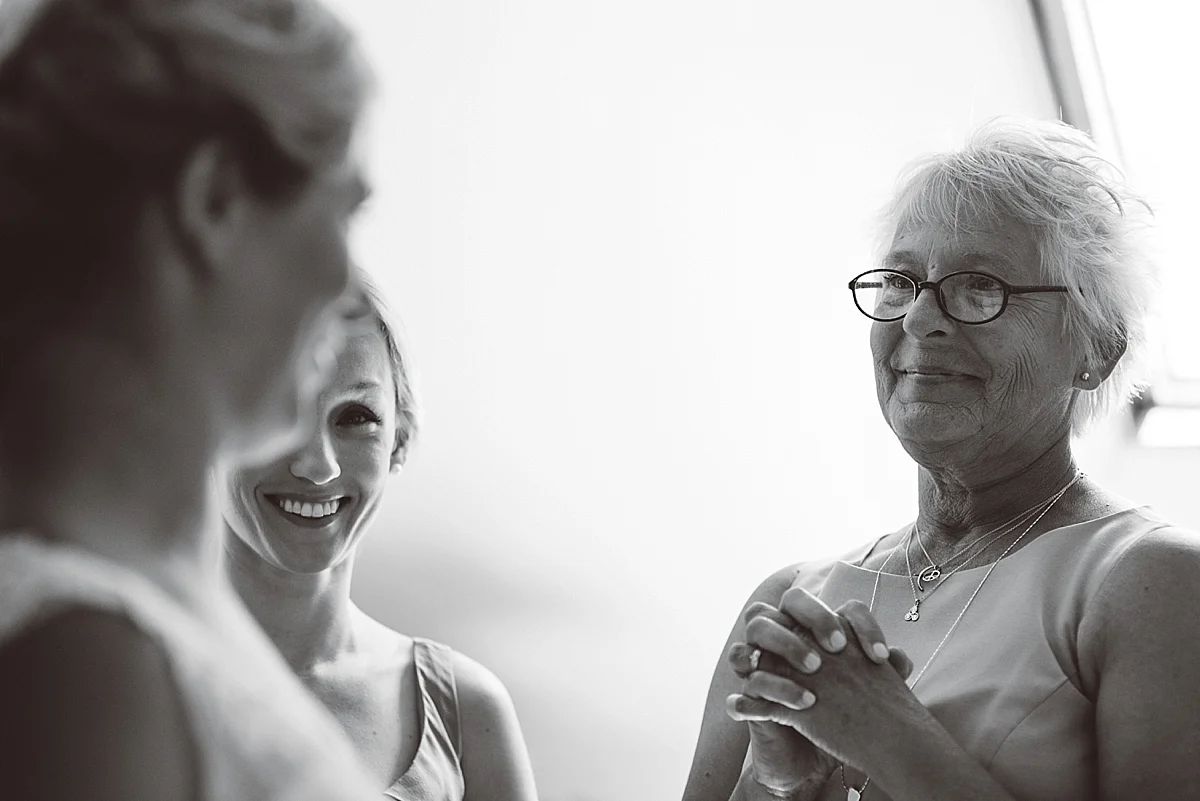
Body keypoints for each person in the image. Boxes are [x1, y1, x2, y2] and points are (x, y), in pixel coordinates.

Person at [683, 118, 1200, 801]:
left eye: (979, 285)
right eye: (902, 281)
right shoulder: (789, 602)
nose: (919, 318)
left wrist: (888, 734)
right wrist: (777, 783)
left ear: (1096, 349)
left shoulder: (1154, 583)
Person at [0, 0, 383, 798]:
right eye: (344, 213)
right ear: (215, 199)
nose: (345, 284)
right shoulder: (88, 665)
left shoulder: (157, 593)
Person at [219, 273, 540, 801]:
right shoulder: (105, 681)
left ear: (399, 441)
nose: (317, 465)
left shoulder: (467, 717)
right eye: (279, 408)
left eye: (355, 416)